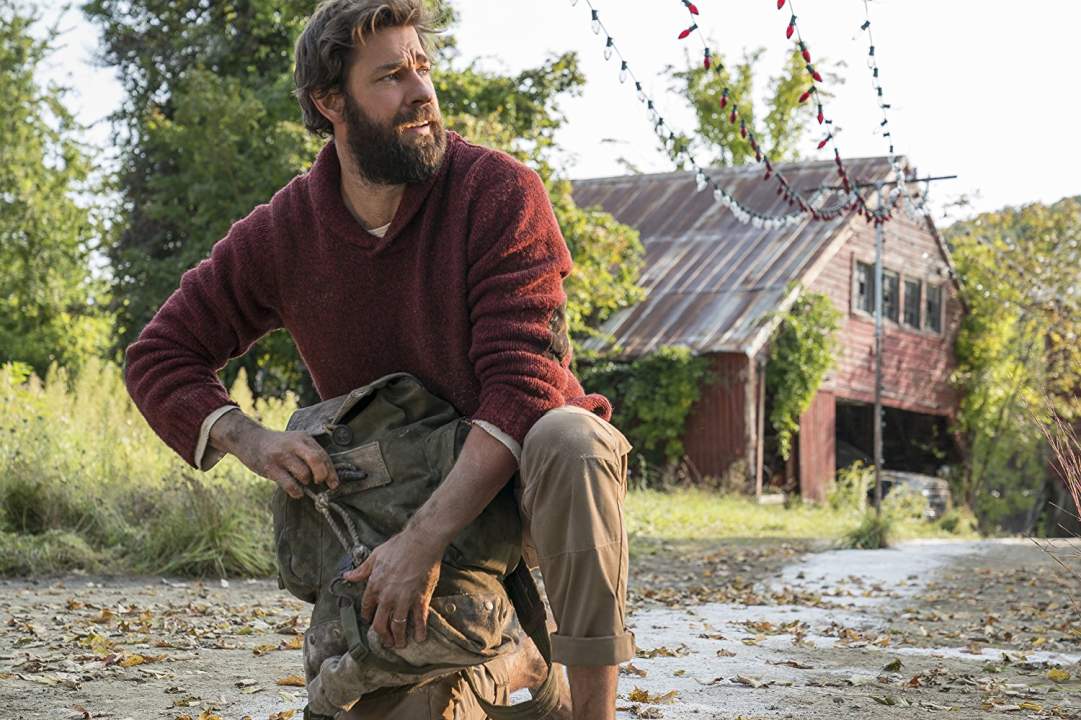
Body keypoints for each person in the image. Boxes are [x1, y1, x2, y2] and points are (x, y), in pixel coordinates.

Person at [123, 1, 634, 717]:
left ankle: (592, 711)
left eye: (422, 67)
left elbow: (524, 385)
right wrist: (252, 440)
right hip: (393, 496)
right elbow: (158, 354)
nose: (422, 91)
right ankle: (517, 664)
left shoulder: (499, 191)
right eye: (391, 76)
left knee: (572, 437)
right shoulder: (284, 231)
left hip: (519, 481)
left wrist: (422, 543)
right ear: (330, 102)